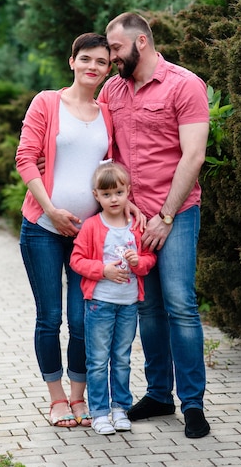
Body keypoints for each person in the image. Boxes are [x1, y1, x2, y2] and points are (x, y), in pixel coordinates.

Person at [98, 12, 211, 439]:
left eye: (114, 48)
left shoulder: (185, 85)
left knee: (180, 305)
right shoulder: (113, 89)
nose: (110, 57)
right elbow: (106, 152)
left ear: (140, 42)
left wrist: (165, 216)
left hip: (176, 214)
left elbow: (193, 156)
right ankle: (160, 394)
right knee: (147, 307)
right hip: (132, 219)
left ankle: (194, 404)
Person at [15, 32, 113, 428]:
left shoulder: (107, 110)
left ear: (108, 69)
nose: (93, 67)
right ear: (71, 61)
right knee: (49, 317)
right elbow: (25, 159)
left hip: (87, 236)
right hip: (42, 226)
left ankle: (78, 397)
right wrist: (52, 210)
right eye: (86, 59)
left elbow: (114, 170)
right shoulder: (47, 102)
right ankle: (56, 399)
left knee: (82, 320)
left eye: (102, 62)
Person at [70, 161, 156, 435]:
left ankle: (120, 408)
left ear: (128, 191)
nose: (113, 199)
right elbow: (77, 260)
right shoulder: (92, 226)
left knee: (121, 358)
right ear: (96, 196)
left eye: (118, 192)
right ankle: (99, 412)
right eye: (106, 194)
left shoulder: (136, 226)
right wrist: (103, 270)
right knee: (97, 360)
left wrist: (138, 262)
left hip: (129, 304)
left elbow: (149, 260)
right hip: (99, 304)